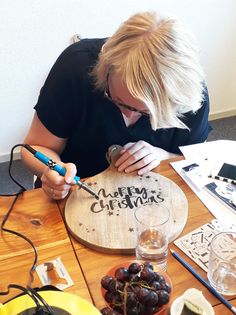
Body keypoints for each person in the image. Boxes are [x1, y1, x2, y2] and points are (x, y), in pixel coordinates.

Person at [21, 11, 211, 200]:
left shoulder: (188, 95)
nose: (128, 115)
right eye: (117, 100)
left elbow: (195, 161)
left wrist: (162, 155)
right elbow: (33, 147)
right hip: (75, 193)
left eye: (144, 112)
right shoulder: (76, 68)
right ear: (105, 71)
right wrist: (52, 170)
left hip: (151, 197)